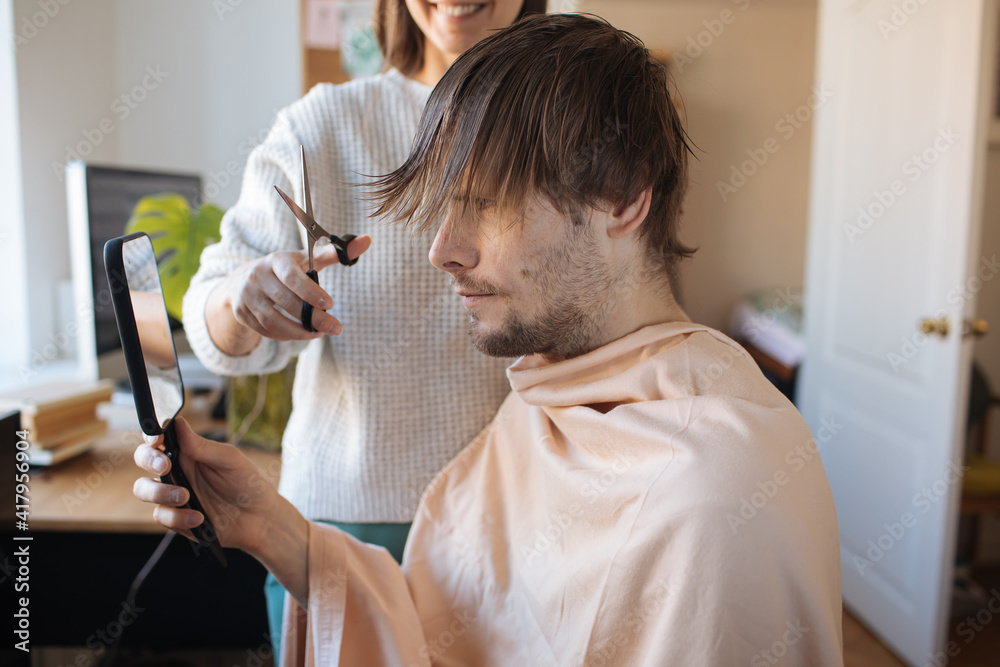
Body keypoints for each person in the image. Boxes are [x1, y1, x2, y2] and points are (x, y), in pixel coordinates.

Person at [142, 14, 843, 665]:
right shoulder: (548, 400)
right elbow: (445, 628)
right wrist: (269, 525)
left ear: (626, 198)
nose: (440, 250)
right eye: (447, 208)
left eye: (486, 202)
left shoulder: (712, 500)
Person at [181, 0, 544, 650]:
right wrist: (244, 297)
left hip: (515, 527)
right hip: (337, 527)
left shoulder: (558, 127)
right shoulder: (324, 124)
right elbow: (212, 310)